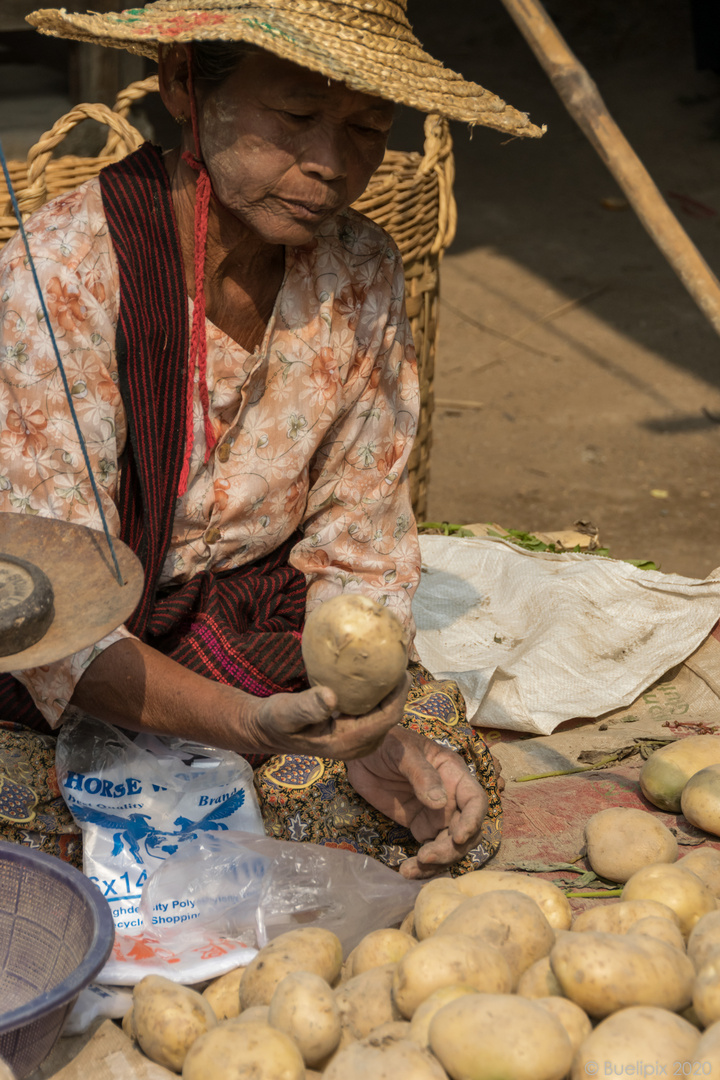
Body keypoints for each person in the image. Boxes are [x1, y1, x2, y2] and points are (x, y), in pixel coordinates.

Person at [0, 0, 542, 877]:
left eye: (368, 126)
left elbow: (357, 541)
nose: (330, 165)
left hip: (242, 617)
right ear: (184, 85)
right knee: (44, 827)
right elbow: (52, 618)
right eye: (293, 118)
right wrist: (244, 724)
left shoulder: (360, 270)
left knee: (434, 769)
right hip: (59, 644)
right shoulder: (61, 274)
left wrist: (361, 710)